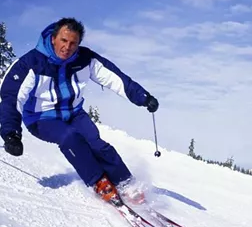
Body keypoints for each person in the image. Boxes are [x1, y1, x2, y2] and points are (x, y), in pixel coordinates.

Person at [0, 17, 159, 205]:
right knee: (70, 138)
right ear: (53, 38)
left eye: (73, 43)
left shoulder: (85, 59)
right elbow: (10, 96)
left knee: (97, 144)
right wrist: (11, 133)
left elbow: (114, 78)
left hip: (74, 113)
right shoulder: (31, 63)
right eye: (63, 40)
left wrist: (143, 97)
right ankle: (99, 182)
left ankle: (126, 183)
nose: (67, 47)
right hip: (41, 118)